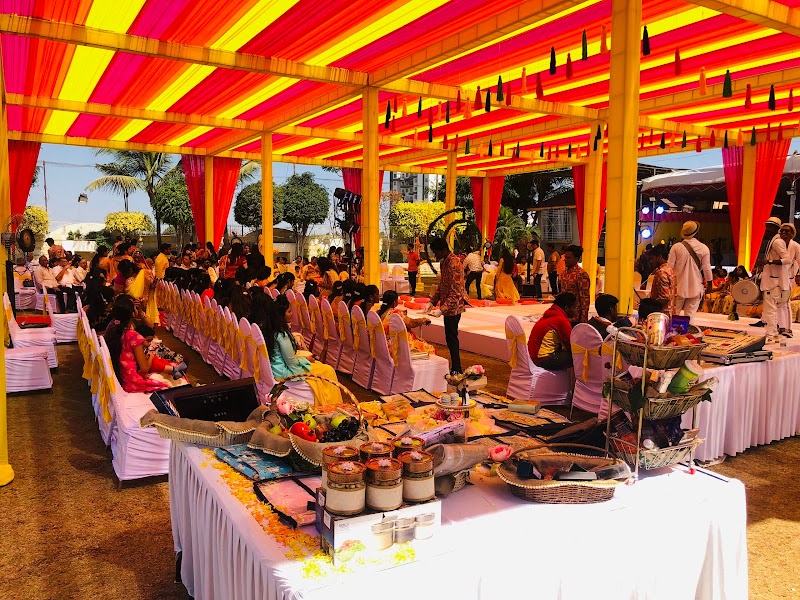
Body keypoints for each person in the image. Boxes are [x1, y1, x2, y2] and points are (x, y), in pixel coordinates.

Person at [264, 295, 343, 406]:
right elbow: (292, 364)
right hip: (283, 372)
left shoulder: (270, 329)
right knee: (328, 370)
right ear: (281, 314)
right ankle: (333, 405)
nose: (292, 314)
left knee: (320, 366)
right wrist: (305, 361)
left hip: (276, 368)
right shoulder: (282, 335)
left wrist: (304, 359)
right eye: (289, 311)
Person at [105, 298, 186, 393]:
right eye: (135, 308)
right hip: (132, 381)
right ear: (133, 314)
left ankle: (174, 370)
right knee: (169, 387)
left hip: (120, 377)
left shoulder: (113, 331)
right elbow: (145, 368)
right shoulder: (133, 336)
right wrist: (151, 356)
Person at [428, 237, 468, 374]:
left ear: (444, 249)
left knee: (452, 338)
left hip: (454, 306)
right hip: (447, 305)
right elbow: (443, 285)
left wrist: (441, 309)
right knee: (449, 338)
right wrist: (432, 301)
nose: (435, 255)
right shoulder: (443, 262)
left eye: (436, 252)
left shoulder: (454, 263)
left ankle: (457, 368)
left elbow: (456, 291)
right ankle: (455, 366)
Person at [667, 221, 713, 319]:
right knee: (690, 317)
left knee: (673, 315)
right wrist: (710, 285)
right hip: (695, 287)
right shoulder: (704, 248)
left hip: (677, 287)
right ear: (696, 232)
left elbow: (669, 267)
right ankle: (687, 328)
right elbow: (707, 268)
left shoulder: (676, 247)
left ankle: (673, 329)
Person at [757, 217, 791, 342]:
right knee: (771, 309)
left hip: (773, 282)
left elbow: (787, 259)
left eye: (770, 226)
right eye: (767, 226)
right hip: (772, 280)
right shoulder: (774, 241)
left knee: (769, 310)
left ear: (777, 229)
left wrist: (769, 261)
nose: (767, 229)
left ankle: (770, 335)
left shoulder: (777, 242)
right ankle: (774, 334)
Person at [527, 292, 576, 370]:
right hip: (542, 359)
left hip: (533, 356)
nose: (575, 311)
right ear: (566, 308)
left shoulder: (550, 314)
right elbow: (571, 345)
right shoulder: (561, 320)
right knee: (579, 356)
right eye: (574, 307)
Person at [377, 290, 434, 354]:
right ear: (394, 302)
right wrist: (423, 319)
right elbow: (411, 323)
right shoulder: (396, 313)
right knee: (430, 348)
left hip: (381, 344)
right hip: (395, 345)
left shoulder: (378, 312)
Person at [559, 245, 591, 324]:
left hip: (575, 316)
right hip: (563, 314)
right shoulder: (563, 273)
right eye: (565, 257)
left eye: (568, 258)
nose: (565, 260)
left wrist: (584, 318)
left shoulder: (581, 274)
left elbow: (585, 298)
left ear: (576, 258)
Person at [778, 223, 800, 337]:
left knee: (785, 303)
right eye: (782, 231)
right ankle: (779, 325)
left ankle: (787, 328)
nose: (783, 233)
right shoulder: (776, 243)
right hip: (775, 278)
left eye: (787, 231)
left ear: (792, 234)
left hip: (788, 278)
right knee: (777, 303)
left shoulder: (795, 246)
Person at [648, 245, 677, 316]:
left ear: (659, 257)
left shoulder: (661, 273)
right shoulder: (670, 270)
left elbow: (664, 297)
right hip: (671, 311)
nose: (651, 261)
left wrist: (649, 304)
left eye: (652, 258)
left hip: (661, 315)